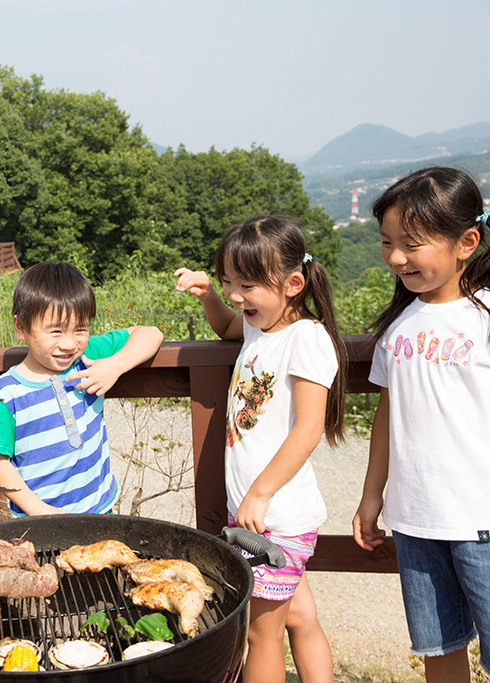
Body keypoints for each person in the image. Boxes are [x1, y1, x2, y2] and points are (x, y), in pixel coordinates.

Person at [175, 215, 346, 683]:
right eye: (230, 281)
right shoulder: (260, 326)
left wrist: (260, 493)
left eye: (246, 285)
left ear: (293, 284)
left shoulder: (307, 338)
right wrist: (209, 295)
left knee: (260, 635)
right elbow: (229, 328)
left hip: (274, 516)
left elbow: (309, 428)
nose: (236, 295)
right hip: (260, 513)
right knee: (298, 618)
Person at [352, 167, 490, 683]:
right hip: (416, 520)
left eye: (411, 244)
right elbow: (390, 417)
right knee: (438, 647)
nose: (394, 258)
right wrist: (372, 496)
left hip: (482, 519)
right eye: (388, 243)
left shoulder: (484, 317)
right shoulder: (399, 326)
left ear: (466, 242)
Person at [0, 261, 163, 516]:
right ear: (21, 327)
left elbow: (150, 333)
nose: (68, 343)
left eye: (80, 329)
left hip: (100, 510)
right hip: (40, 521)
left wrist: (114, 366)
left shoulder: (87, 358)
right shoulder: (5, 393)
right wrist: (38, 510)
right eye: (55, 331)